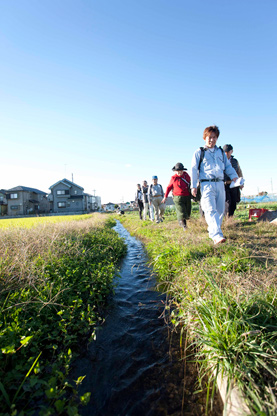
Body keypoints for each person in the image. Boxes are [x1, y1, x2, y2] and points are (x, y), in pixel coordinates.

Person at [191, 125, 238, 245]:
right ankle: (217, 235)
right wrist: (193, 186)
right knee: (210, 209)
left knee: (220, 211)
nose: (212, 140)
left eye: (214, 137)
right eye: (209, 137)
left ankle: (213, 231)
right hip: (207, 184)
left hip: (220, 184)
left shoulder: (221, 152)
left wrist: (234, 176)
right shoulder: (199, 152)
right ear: (204, 138)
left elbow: (227, 167)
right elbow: (194, 169)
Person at [161, 162, 191, 230]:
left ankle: (180, 221)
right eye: (178, 171)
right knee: (182, 211)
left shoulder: (186, 175)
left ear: (183, 170)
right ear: (175, 171)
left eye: (181, 171)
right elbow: (168, 187)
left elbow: (191, 183)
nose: (179, 172)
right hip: (177, 197)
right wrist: (165, 197)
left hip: (187, 196)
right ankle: (184, 226)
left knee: (187, 213)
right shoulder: (173, 178)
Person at [223, 144, 244, 217]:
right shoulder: (221, 161)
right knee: (227, 202)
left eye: (228, 152)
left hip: (234, 184)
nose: (226, 153)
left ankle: (230, 218)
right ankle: (226, 218)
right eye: (225, 152)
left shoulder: (235, 161)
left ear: (231, 152)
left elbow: (239, 171)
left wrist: (241, 183)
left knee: (234, 202)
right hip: (224, 185)